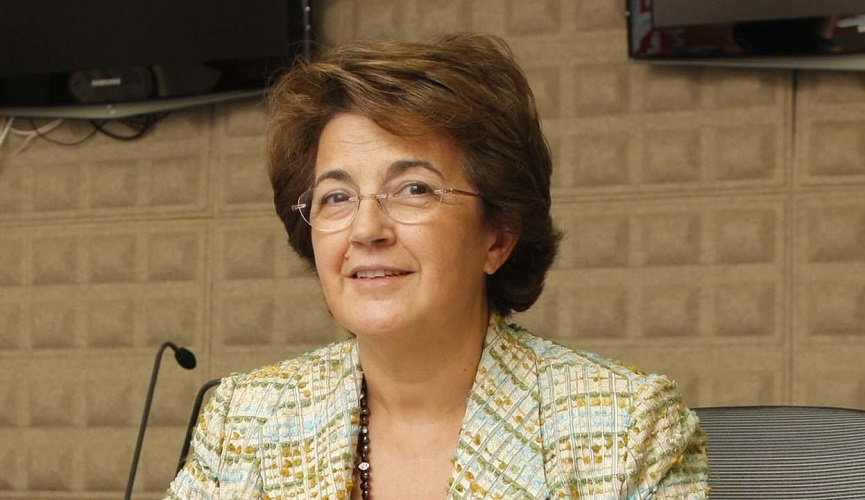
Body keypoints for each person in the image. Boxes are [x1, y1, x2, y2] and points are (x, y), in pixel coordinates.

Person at [165, 32, 708, 499]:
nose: (366, 229)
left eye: (414, 189)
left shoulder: (626, 428)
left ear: (498, 236)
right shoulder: (245, 421)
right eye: (337, 197)